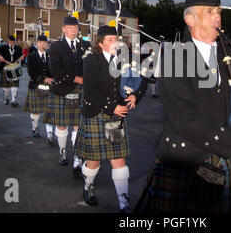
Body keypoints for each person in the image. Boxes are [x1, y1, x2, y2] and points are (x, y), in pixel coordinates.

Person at [134, 0, 231, 213]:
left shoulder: (227, 54)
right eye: (210, 12)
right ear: (190, 19)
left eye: (219, 12)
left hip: (216, 158)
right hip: (182, 159)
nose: (218, 19)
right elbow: (185, 120)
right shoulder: (175, 57)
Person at [74, 25, 146, 212]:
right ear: (100, 43)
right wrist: (112, 106)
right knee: (94, 161)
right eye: (110, 40)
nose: (115, 43)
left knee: (118, 161)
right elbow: (90, 92)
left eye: (116, 39)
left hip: (115, 116)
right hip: (97, 114)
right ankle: (88, 186)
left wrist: (135, 94)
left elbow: (139, 79)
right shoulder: (91, 61)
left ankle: (123, 202)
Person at [43, 16, 87, 175]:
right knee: (62, 125)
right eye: (70, 28)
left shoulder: (83, 46)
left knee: (77, 125)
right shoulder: (56, 46)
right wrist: (77, 78)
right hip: (62, 89)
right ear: (63, 29)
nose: (73, 31)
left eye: (75, 28)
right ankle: (62, 151)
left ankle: (77, 157)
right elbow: (56, 69)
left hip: (79, 91)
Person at [23, 35, 54, 142]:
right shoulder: (31, 56)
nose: (42, 44)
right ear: (37, 43)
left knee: (49, 111)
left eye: (44, 43)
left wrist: (52, 78)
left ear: (47, 44)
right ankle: (35, 128)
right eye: (40, 42)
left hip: (49, 87)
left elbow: (53, 70)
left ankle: (49, 134)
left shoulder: (50, 55)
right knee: (36, 111)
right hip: (36, 85)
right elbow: (31, 72)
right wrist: (44, 79)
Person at [0, 35, 25, 106]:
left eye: (13, 41)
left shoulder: (18, 48)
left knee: (15, 85)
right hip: (5, 67)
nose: (12, 42)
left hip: (15, 68)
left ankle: (14, 100)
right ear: (8, 41)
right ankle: (7, 98)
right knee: (6, 86)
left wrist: (22, 57)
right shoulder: (3, 47)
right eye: (10, 41)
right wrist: (0, 56)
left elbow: (22, 56)